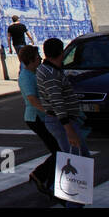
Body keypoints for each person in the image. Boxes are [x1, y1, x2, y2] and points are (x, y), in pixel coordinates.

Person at [36, 37, 92, 207]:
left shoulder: (46, 69)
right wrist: (69, 128)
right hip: (61, 123)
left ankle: (58, 190)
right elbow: (57, 102)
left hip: (59, 121)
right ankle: (72, 202)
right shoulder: (51, 74)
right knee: (76, 162)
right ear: (61, 53)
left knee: (78, 158)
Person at [17, 45, 60, 197]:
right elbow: (32, 99)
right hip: (36, 118)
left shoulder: (34, 73)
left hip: (41, 117)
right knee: (58, 150)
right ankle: (43, 178)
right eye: (37, 57)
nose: (40, 59)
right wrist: (49, 111)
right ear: (31, 60)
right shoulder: (26, 77)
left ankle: (42, 176)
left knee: (59, 150)